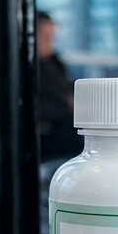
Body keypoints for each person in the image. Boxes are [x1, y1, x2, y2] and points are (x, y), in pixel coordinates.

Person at [37, 11, 80, 162]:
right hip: (46, 133)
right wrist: (67, 106)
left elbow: (69, 88)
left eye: (52, 37)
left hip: (66, 124)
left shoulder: (55, 63)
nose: (50, 42)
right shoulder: (21, 69)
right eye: (45, 37)